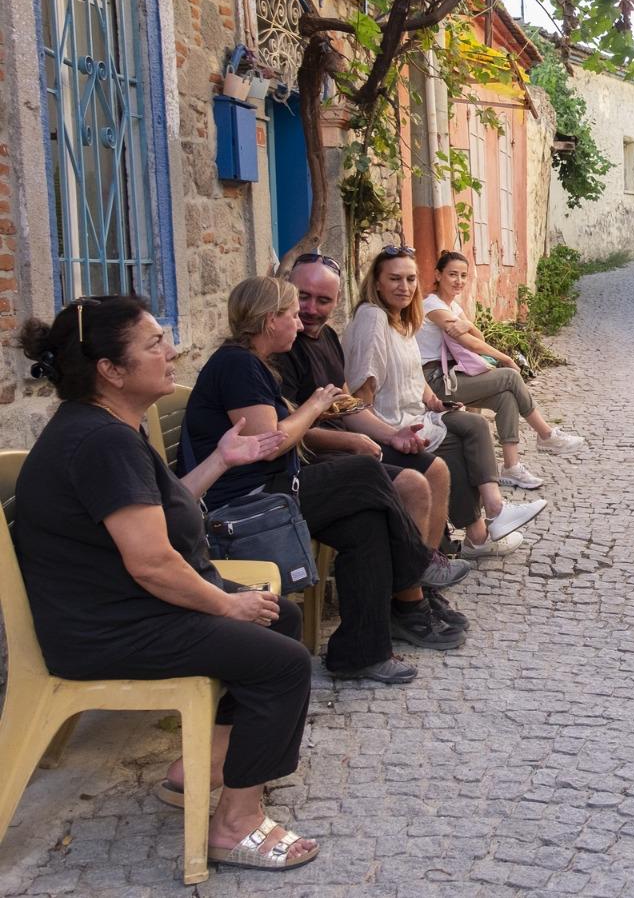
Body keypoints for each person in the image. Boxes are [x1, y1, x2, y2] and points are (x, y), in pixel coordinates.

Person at [16, 296, 320, 870]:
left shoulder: (106, 427)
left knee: (280, 616)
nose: (172, 351)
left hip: (125, 608)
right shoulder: (102, 442)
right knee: (281, 663)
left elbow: (162, 508)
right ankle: (235, 826)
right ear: (111, 369)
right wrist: (224, 606)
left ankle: (206, 767)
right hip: (110, 628)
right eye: (155, 343)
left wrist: (222, 460)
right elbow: (152, 563)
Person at [183, 277, 461, 682]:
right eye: (292, 315)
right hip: (249, 503)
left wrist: (325, 412)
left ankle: (360, 654)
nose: (299, 324)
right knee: (366, 472)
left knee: (366, 523)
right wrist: (313, 407)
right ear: (269, 320)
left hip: (275, 490)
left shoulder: (253, 363)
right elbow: (269, 444)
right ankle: (416, 566)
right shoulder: (237, 365)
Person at [275, 254, 469, 635]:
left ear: (336, 302)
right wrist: (355, 441)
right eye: (303, 297)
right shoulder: (282, 347)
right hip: (314, 459)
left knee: (436, 470)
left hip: (345, 447)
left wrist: (391, 435)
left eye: (323, 300)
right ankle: (407, 603)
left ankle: (422, 584)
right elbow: (285, 432)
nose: (311, 309)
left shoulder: (327, 338)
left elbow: (349, 408)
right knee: (411, 484)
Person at [343, 246, 545, 559]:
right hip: (390, 426)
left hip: (417, 415)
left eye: (411, 279)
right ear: (377, 283)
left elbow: (415, 373)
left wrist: (435, 402)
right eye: (395, 279)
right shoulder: (373, 318)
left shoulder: (401, 318)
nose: (405, 286)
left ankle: (492, 515)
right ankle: (480, 533)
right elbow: (362, 390)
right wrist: (379, 436)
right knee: (458, 445)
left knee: (474, 424)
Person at [419, 251, 585, 488]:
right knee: (510, 376)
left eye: (463, 275)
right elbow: (469, 342)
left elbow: (478, 336)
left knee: (506, 397)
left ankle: (511, 467)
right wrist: (505, 358)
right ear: (438, 275)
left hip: (451, 377)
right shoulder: (432, 305)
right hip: (433, 382)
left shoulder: (452, 306)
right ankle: (546, 435)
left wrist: (467, 324)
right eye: (452, 274)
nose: (459, 281)